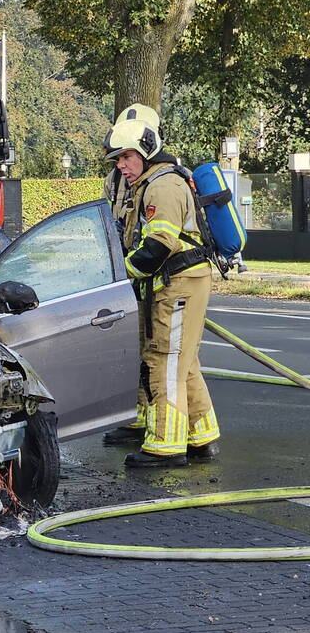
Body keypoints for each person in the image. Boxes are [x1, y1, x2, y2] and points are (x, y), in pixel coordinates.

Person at [104, 118, 220, 467]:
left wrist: (121, 276)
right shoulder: (152, 182)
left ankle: (165, 447)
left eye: (126, 157)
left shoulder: (163, 187)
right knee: (184, 363)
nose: (121, 165)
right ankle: (201, 436)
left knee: (164, 362)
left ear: (146, 152)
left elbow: (158, 245)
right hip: (179, 282)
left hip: (178, 284)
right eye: (117, 160)